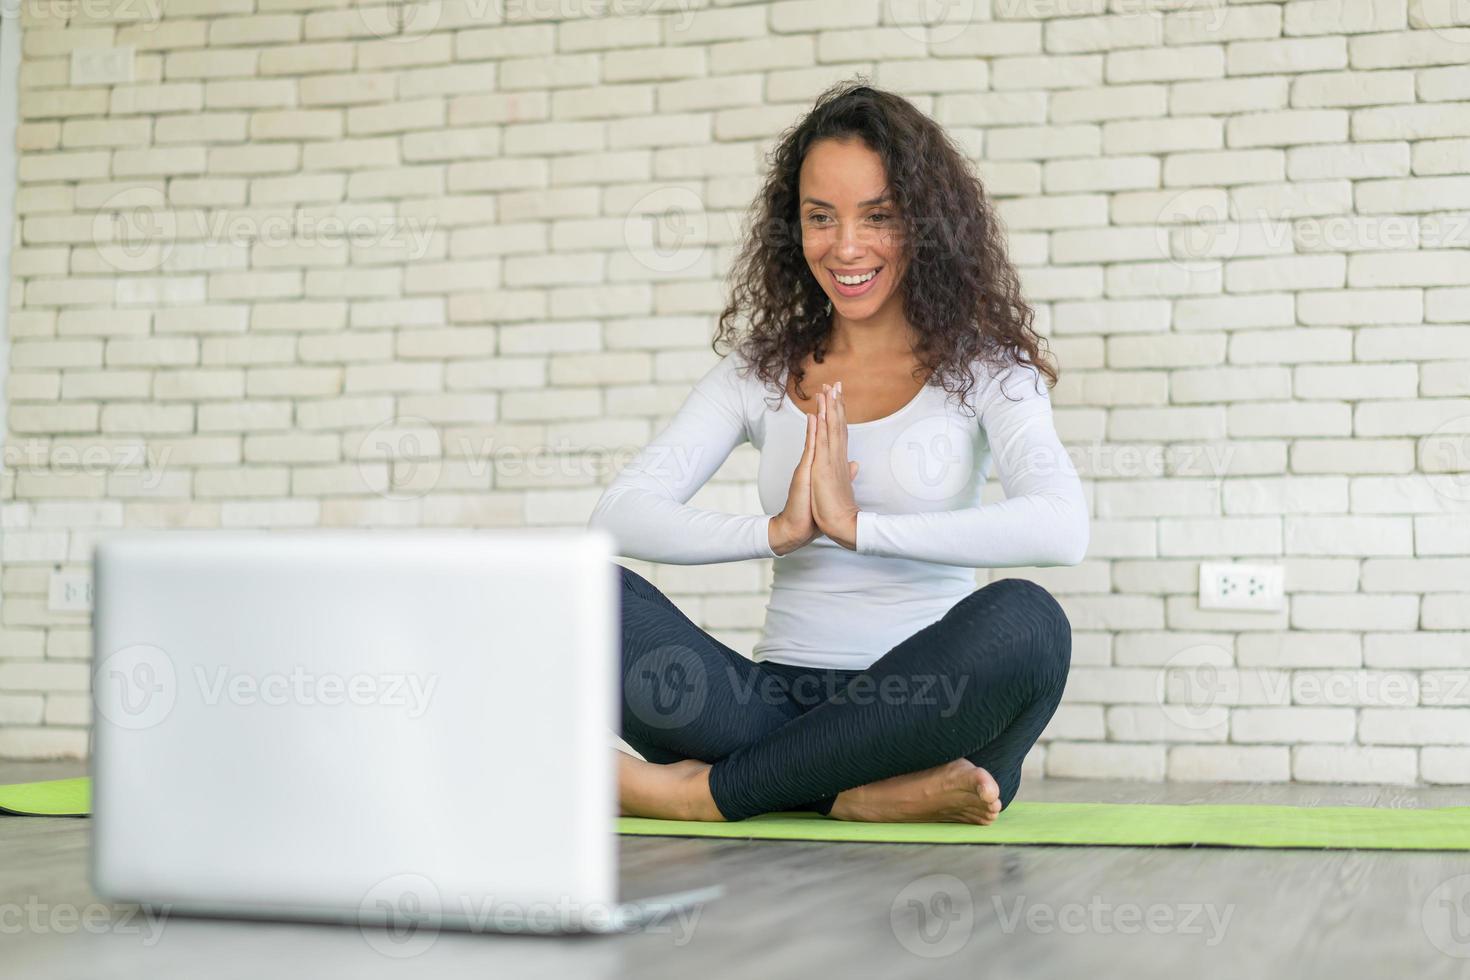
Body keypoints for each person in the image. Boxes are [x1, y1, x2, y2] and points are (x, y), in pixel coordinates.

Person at [588, 79, 1089, 825]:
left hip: (924, 709)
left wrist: (860, 527)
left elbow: (1061, 527)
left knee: (1030, 622)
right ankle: (853, 794)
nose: (845, 247)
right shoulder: (757, 369)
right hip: (769, 705)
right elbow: (620, 517)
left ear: (925, 224)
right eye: (820, 218)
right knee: (586, 593)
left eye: (878, 217)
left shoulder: (989, 371)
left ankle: (709, 795)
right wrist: (776, 533)